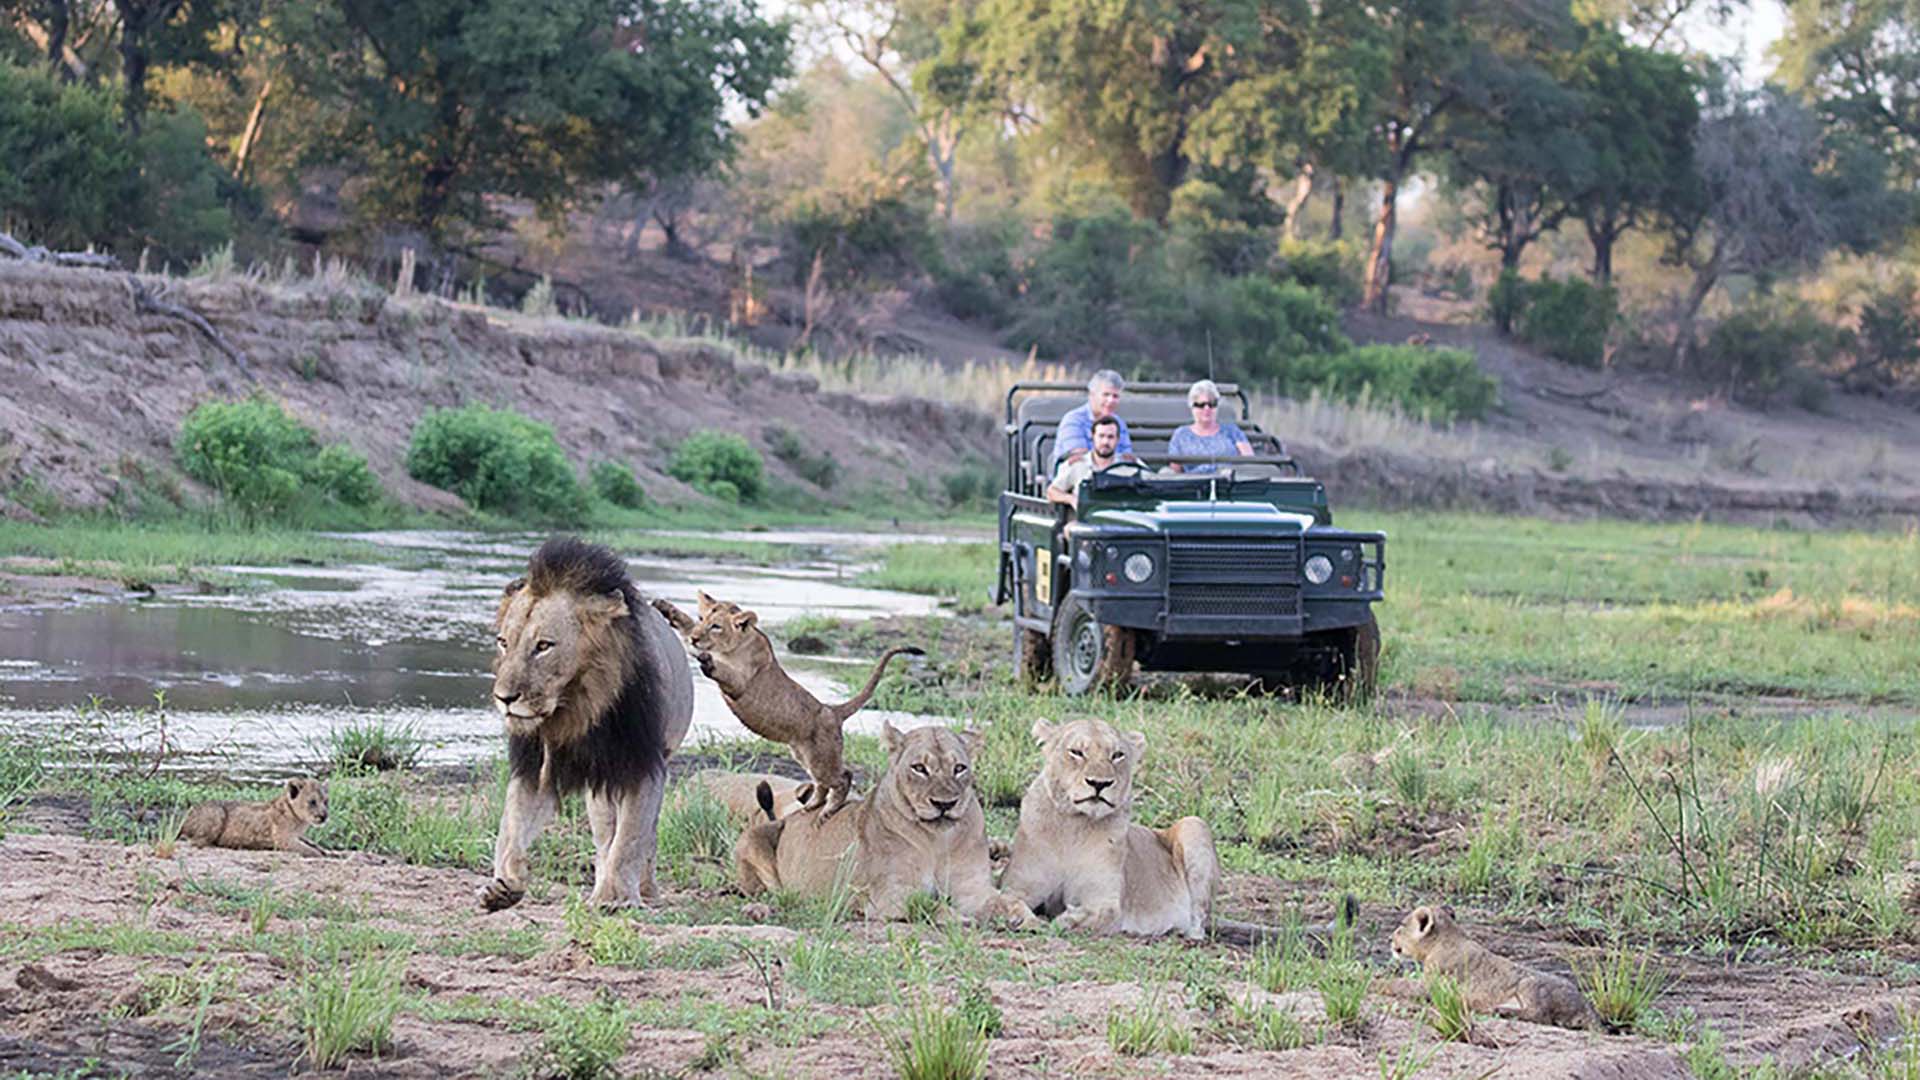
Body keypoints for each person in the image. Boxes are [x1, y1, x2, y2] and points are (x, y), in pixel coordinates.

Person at [1166, 379, 1253, 473]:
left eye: (1212, 404)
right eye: (1201, 405)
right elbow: (1175, 473)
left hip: (1228, 482)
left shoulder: (1232, 431)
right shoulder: (1181, 435)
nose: (1207, 409)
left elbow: (1250, 462)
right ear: (1192, 407)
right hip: (1194, 484)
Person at [1052, 369, 1133, 468]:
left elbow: (1127, 459)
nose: (1111, 400)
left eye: (1115, 396)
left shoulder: (1119, 424)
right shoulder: (1073, 420)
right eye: (1106, 395)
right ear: (1092, 395)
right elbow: (1079, 460)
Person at [1047, 415, 1121, 512]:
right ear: (1093, 437)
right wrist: (1072, 499)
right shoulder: (1078, 464)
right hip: (1084, 521)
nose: (1105, 442)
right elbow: (1052, 492)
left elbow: (1147, 482)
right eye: (1101, 436)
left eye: (1110, 437)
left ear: (1118, 439)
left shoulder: (1129, 466)